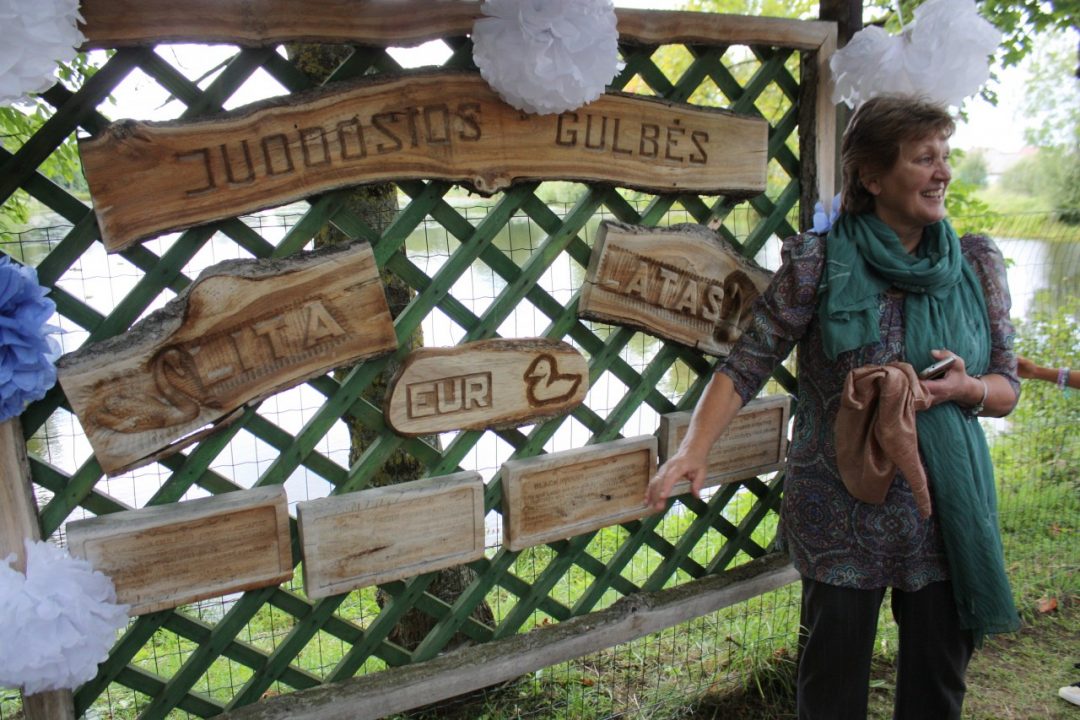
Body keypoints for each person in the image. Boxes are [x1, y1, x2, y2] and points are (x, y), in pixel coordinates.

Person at [646, 94, 1021, 720]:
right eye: (924, 158)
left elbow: (1006, 386)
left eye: (945, 156)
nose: (943, 172)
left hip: (942, 512)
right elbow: (748, 362)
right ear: (872, 176)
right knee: (830, 689)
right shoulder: (818, 264)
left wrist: (964, 389)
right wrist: (693, 448)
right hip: (839, 509)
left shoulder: (975, 265)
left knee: (936, 687)